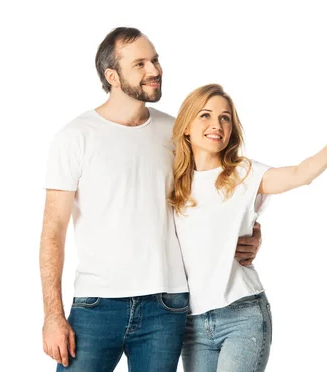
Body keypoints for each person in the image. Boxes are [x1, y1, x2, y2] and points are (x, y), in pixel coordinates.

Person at [39, 28, 262, 371]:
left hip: (167, 306)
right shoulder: (75, 137)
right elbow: (53, 229)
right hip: (97, 305)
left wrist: (250, 230)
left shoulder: (177, 133)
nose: (155, 70)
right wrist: (53, 315)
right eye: (140, 63)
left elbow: (218, 186)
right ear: (111, 76)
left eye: (155, 60)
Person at [169, 84, 327, 372]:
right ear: (186, 126)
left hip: (242, 315)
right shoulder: (172, 181)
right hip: (192, 325)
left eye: (225, 118)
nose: (217, 125)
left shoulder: (243, 174)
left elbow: (300, 174)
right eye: (205, 115)